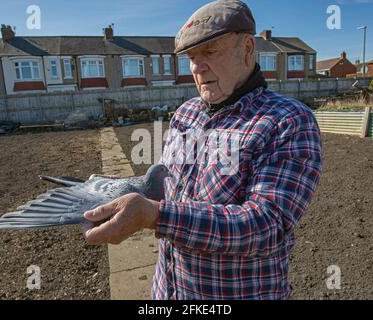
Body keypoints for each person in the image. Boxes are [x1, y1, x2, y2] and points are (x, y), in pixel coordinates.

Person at [83, 0, 322, 300]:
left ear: (248, 48)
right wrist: (117, 191)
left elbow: (265, 224)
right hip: (169, 292)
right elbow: (167, 187)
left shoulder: (287, 121)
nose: (197, 66)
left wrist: (155, 216)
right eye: (192, 57)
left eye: (210, 52)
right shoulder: (186, 114)